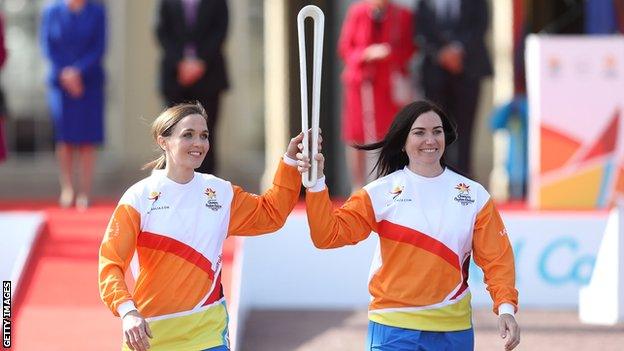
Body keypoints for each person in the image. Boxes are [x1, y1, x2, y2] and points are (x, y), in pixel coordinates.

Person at [296, 101, 520, 350]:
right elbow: (327, 236)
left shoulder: (473, 195)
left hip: (452, 329)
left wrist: (506, 308)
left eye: (437, 131)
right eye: (419, 132)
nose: (430, 140)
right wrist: (316, 186)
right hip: (393, 326)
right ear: (403, 141)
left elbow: (497, 258)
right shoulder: (379, 193)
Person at [98, 103, 303, 351]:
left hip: (207, 332)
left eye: (204, 136)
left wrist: (290, 161)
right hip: (152, 335)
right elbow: (110, 263)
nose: (199, 143)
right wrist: (127, 311)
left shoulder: (219, 192)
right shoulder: (139, 197)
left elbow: (272, 214)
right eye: (188, 135)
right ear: (164, 141)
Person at [338, 0, 415, 190]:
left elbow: (410, 48)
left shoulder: (403, 14)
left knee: (390, 134)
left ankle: (388, 183)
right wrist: (366, 53)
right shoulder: (357, 12)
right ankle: (357, 186)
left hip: (388, 87)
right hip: (360, 84)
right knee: (356, 134)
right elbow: (345, 48)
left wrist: (389, 53)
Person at [40, 0, 106, 209]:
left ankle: (85, 192)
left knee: (88, 137)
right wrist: (66, 73)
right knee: (65, 136)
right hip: (61, 84)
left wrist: (78, 72)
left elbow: (99, 46)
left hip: (89, 83)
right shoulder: (51, 11)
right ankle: (68, 189)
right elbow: (47, 45)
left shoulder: (97, 11)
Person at [415, 0, 492, 177]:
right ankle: (438, 179)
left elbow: (481, 24)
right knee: (435, 128)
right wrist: (441, 54)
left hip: (468, 71)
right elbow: (420, 30)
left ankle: (464, 183)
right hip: (435, 75)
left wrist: (458, 50)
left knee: (465, 131)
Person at [155, 0, 229, 175]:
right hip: (175, 77)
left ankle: (207, 188)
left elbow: (221, 30)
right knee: (172, 130)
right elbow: (162, 32)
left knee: (206, 131)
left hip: (209, 75)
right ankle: (173, 182)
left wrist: (200, 62)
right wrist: (181, 63)